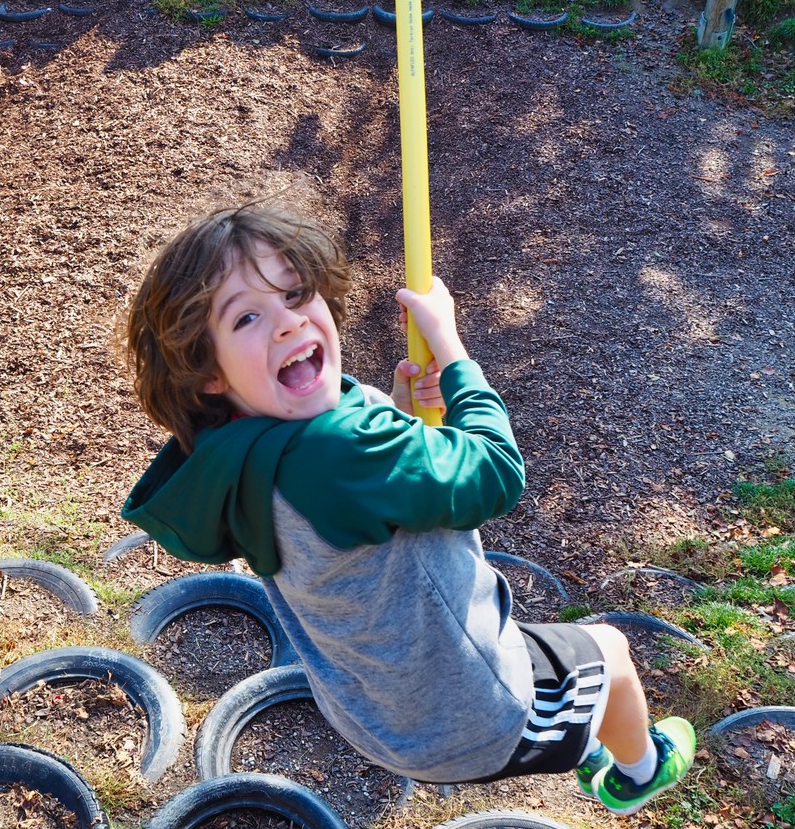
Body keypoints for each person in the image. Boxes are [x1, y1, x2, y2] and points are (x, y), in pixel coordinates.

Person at [118, 200, 695, 815]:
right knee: (610, 652)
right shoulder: (342, 449)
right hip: (473, 716)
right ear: (207, 370)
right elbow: (497, 472)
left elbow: (352, 493)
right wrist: (452, 351)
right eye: (247, 317)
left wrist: (399, 418)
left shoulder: (232, 456)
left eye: (295, 294)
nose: (287, 323)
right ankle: (638, 774)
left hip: (369, 714)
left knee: (562, 668)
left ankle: (587, 743)